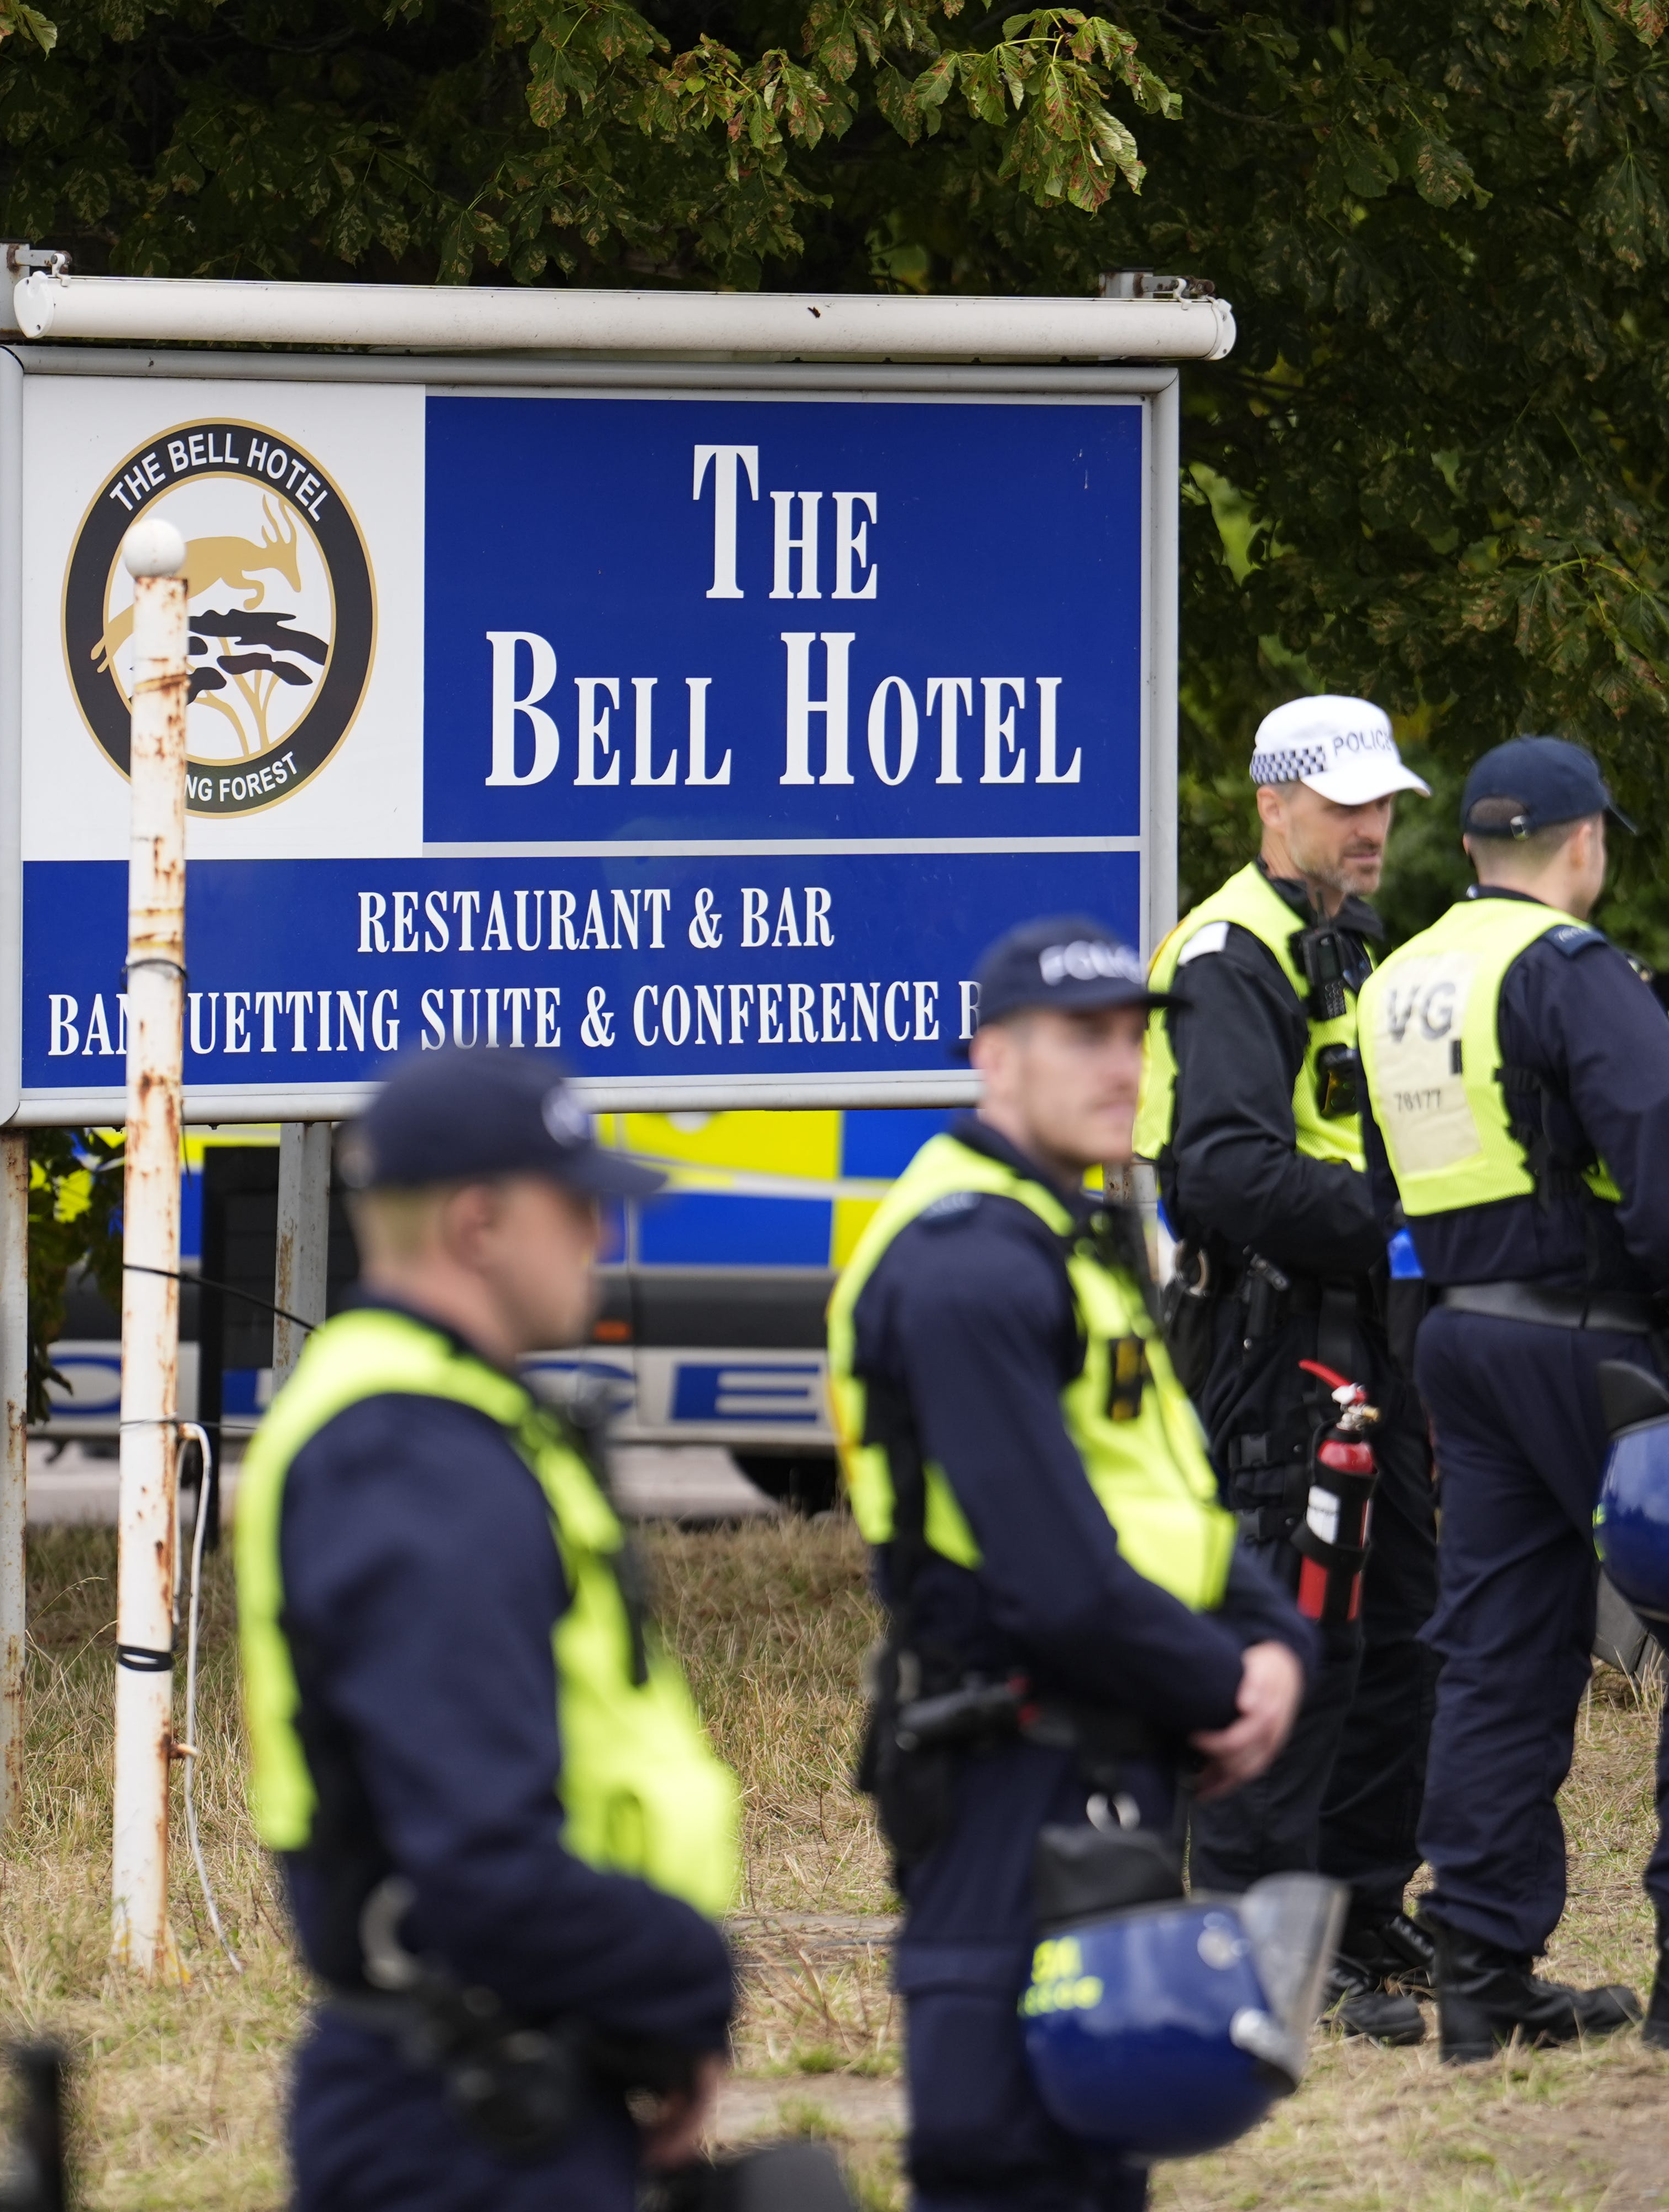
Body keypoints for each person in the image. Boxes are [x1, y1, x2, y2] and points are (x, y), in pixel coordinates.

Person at [1357, 736, 1669, 2065]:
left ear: (1469, 848)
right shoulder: (1571, 974)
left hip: (1458, 1335)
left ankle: (1481, 1970)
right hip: (1590, 1342)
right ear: (1584, 844)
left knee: (1502, 1650)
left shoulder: (1400, 979)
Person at [831, 916, 1312, 2208]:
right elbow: (1052, 1573)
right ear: (993, 1059)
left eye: (1134, 1038)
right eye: (1081, 1038)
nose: (1122, 1068)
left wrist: (1274, 1643)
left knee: (1102, 2146)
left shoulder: (1071, 1241)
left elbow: (1173, 1492)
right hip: (1006, 1766)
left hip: (1106, 1750)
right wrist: (1228, 1683)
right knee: (1010, 2155)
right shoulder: (963, 1264)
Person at [234, 1050, 737, 2211]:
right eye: (575, 1205)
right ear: (477, 1222)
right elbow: (479, 1855)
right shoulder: (408, 1455)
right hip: (463, 2105)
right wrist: (688, 1983)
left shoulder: (444, 1420)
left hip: (519, 2060)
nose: (599, 1235)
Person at [1134, 694, 1437, 2047]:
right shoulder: (1232, 950)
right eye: (1347, 806)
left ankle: (1361, 1910)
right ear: (1274, 804)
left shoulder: (1344, 939)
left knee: (1402, 1621)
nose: (1372, 829)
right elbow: (1229, 1174)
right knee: (1297, 1632)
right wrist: (1413, 1207)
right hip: (1267, 1333)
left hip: (1363, 1322)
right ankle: (1262, 1937)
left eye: (1383, 806)